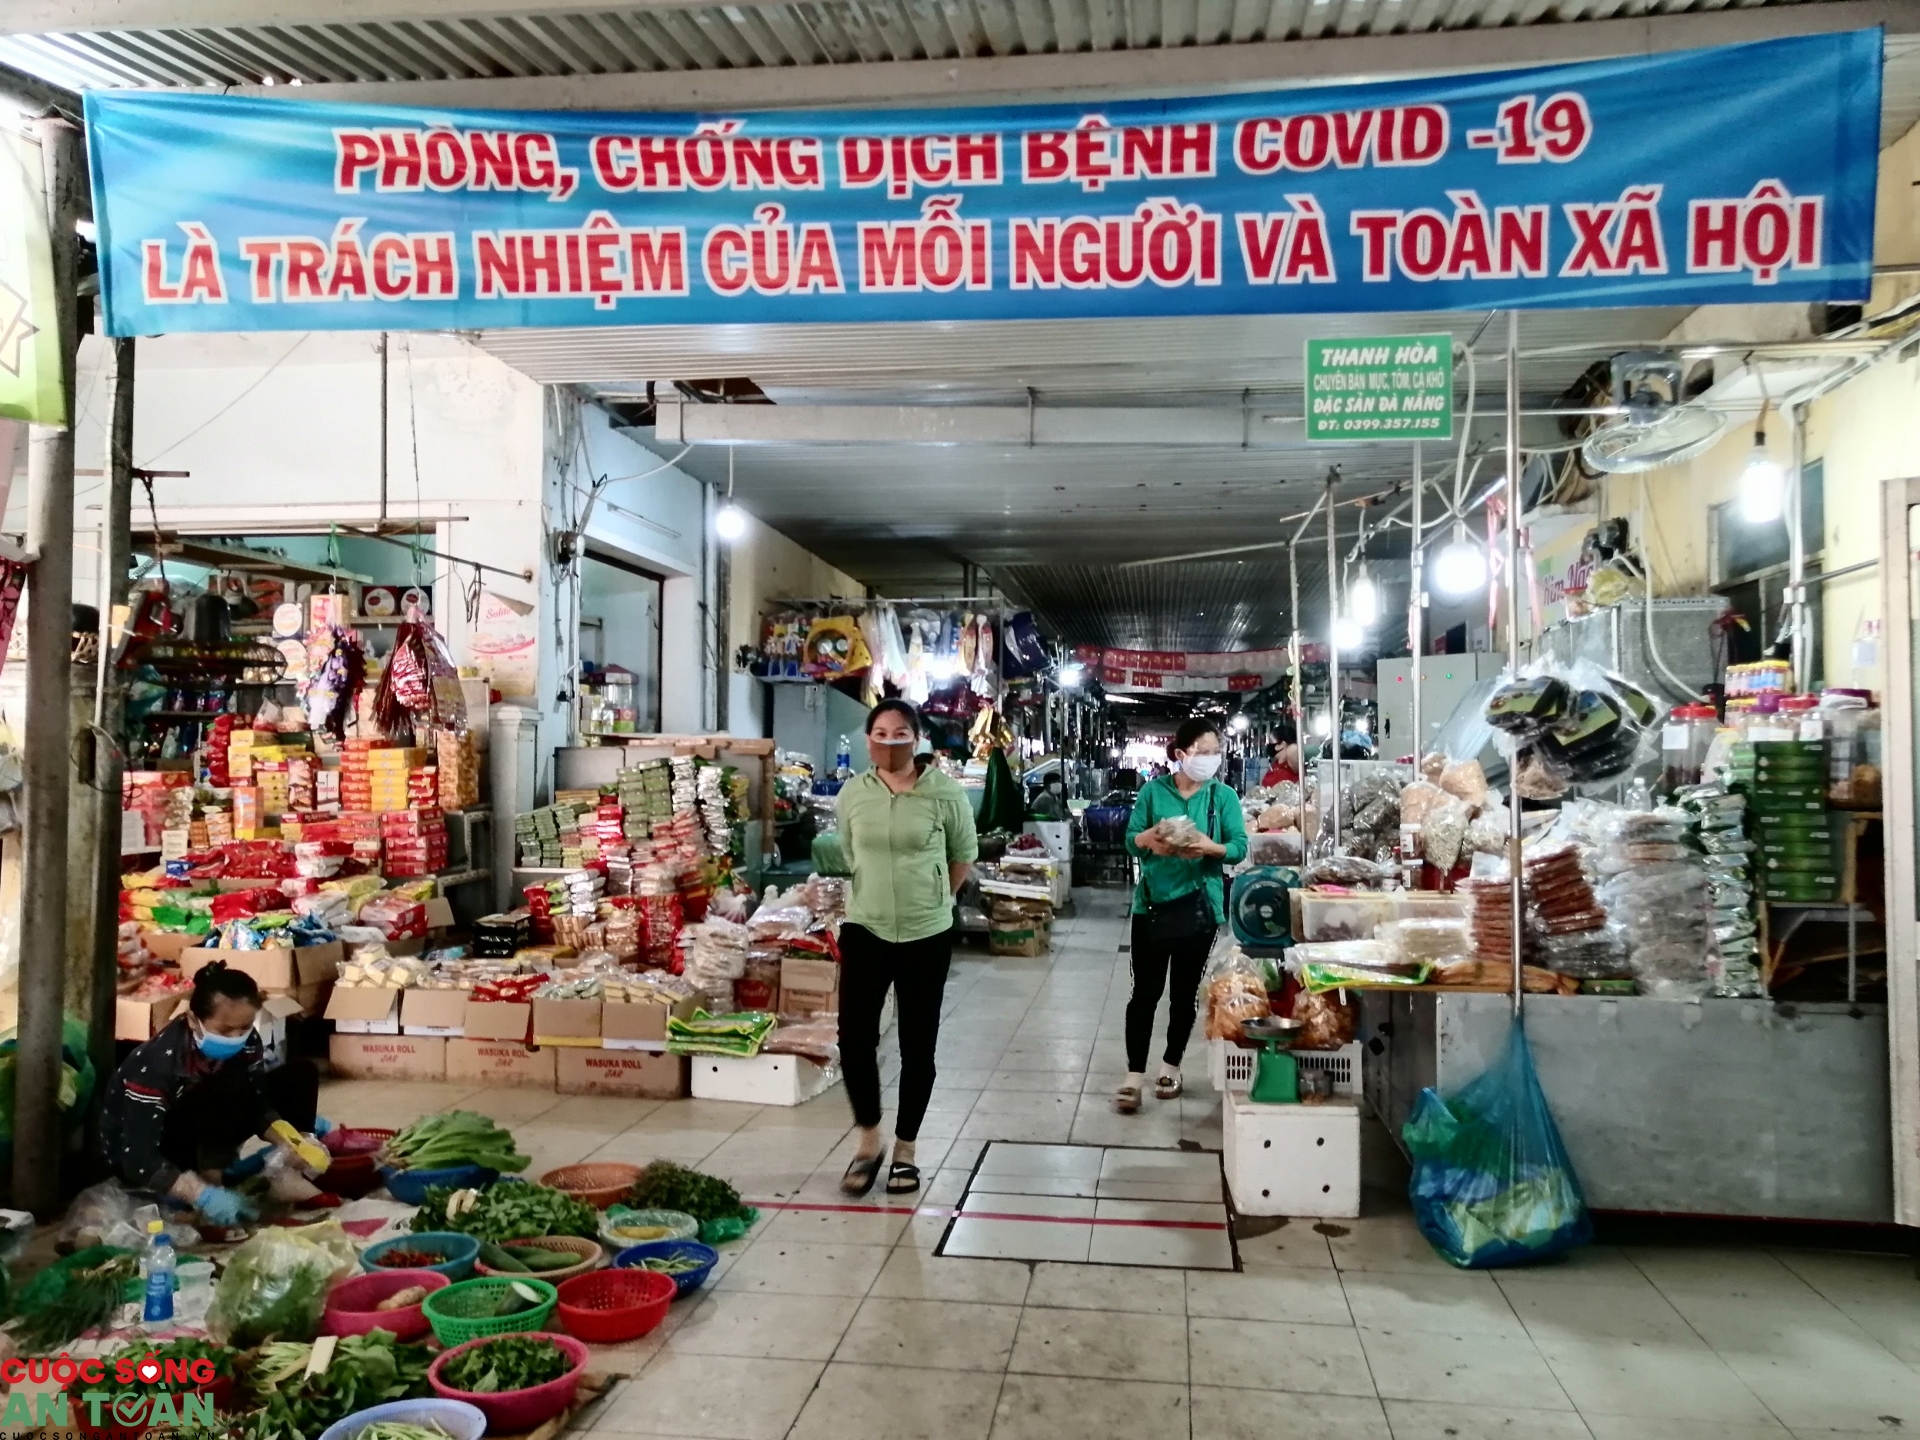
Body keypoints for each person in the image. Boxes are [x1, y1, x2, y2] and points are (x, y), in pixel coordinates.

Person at [836, 699, 979, 1195]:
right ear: (868, 737)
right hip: (865, 928)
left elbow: (963, 855)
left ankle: (906, 1150)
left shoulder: (945, 794)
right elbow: (850, 851)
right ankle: (868, 1140)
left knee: (920, 1045)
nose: (889, 741)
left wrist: (938, 896)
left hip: (926, 932)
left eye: (900, 733)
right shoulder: (855, 793)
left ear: (916, 739)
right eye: (879, 732)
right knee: (854, 1039)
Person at [102, 961, 329, 1225]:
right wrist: (201, 1195)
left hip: (207, 1120)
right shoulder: (157, 1065)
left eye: (244, 1027)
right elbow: (137, 1158)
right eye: (224, 1030)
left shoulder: (247, 1041)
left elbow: (256, 1103)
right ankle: (207, 1179)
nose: (236, 1037)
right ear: (192, 1020)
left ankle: (288, 1169)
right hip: (153, 1145)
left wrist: (291, 1141)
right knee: (206, 1089)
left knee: (301, 1074)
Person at [1115, 717, 1249, 1112]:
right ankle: (1133, 1076)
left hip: (1200, 907)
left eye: (1215, 752)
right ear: (1180, 754)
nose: (1210, 759)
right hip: (1152, 907)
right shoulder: (1153, 793)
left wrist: (1211, 847)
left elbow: (1239, 847)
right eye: (1202, 752)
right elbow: (1132, 843)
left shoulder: (1222, 797)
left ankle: (1171, 1067)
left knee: (1183, 995)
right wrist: (1150, 840)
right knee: (1144, 993)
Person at [1260, 723, 1300, 787]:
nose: (1268, 744)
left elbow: (1293, 749)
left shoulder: (1292, 766)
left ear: (1282, 744)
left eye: (1271, 741)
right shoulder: (1275, 764)